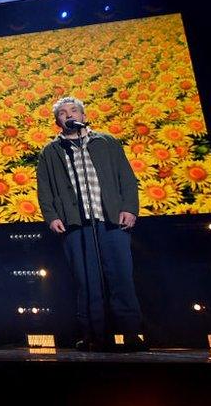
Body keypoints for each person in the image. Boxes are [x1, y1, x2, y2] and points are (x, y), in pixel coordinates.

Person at [36, 97, 145, 351]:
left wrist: (130, 207)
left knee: (121, 277)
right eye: (62, 113)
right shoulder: (51, 151)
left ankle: (131, 334)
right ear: (57, 122)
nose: (68, 115)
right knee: (87, 281)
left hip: (111, 220)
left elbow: (126, 178)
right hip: (76, 225)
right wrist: (51, 216)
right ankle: (93, 335)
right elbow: (44, 189)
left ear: (83, 116)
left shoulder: (106, 142)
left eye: (73, 111)